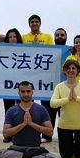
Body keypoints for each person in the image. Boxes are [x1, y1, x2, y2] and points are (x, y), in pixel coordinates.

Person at [0, 81, 60, 158]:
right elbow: (6, 134)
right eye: (23, 91)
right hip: (16, 149)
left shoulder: (41, 109)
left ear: (32, 92)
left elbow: (50, 132)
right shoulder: (12, 110)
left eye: (28, 91)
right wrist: (23, 124)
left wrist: (32, 124)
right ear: (19, 93)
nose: (25, 94)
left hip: (35, 149)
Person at [50, 60, 80, 158]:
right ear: (64, 71)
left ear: (78, 70)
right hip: (64, 126)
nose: (71, 70)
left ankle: (78, 146)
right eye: (68, 68)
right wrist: (67, 99)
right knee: (66, 155)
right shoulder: (59, 86)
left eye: (73, 68)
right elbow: (52, 104)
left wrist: (77, 98)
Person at [22, 15, 56, 143]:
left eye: (36, 21)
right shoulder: (24, 37)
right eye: (32, 22)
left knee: (45, 106)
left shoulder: (47, 37)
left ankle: (47, 135)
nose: (34, 23)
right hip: (27, 75)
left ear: (40, 23)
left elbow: (54, 52)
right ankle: (27, 131)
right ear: (29, 24)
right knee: (26, 104)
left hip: (44, 76)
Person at [2, 28, 23, 135]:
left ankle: (22, 132)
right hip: (7, 86)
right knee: (9, 110)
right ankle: (9, 133)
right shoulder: (2, 51)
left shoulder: (26, 50)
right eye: (10, 37)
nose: (12, 39)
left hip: (22, 86)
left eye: (14, 37)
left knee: (23, 109)